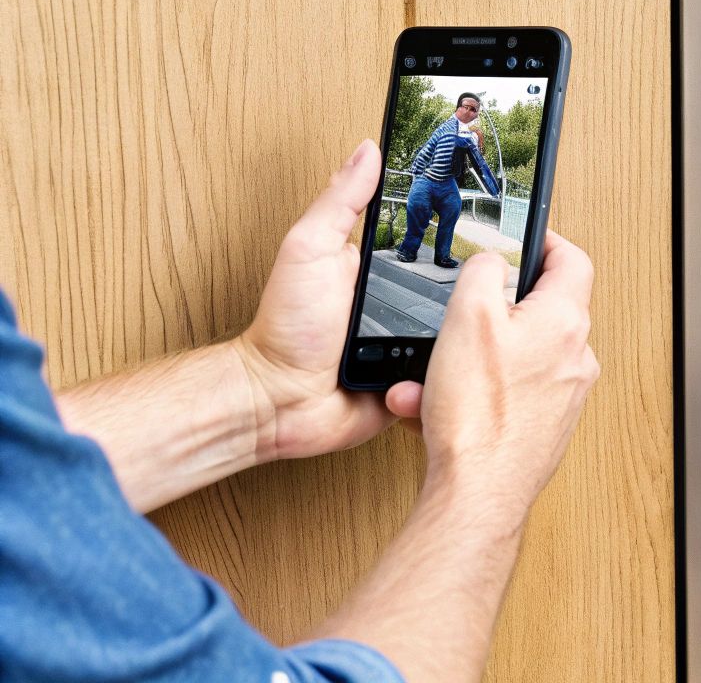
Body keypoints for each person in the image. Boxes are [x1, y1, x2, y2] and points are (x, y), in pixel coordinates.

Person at [0, 141, 600, 682]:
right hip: (425, 190)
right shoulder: (445, 134)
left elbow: (16, 487)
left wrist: (264, 388)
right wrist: (490, 471)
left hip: (415, 229)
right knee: (419, 230)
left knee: (437, 238)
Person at [397, 92, 500, 269]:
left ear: (476, 113)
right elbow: (428, 149)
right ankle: (408, 250)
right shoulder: (448, 127)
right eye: (466, 107)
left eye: (473, 109)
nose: (469, 111)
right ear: (458, 108)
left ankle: (442, 256)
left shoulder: (471, 133)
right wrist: (416, 174)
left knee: (453, 209)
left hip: (447, 182)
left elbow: (477, 160)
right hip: (426, 179)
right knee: (418, 211)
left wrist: (493, 188)